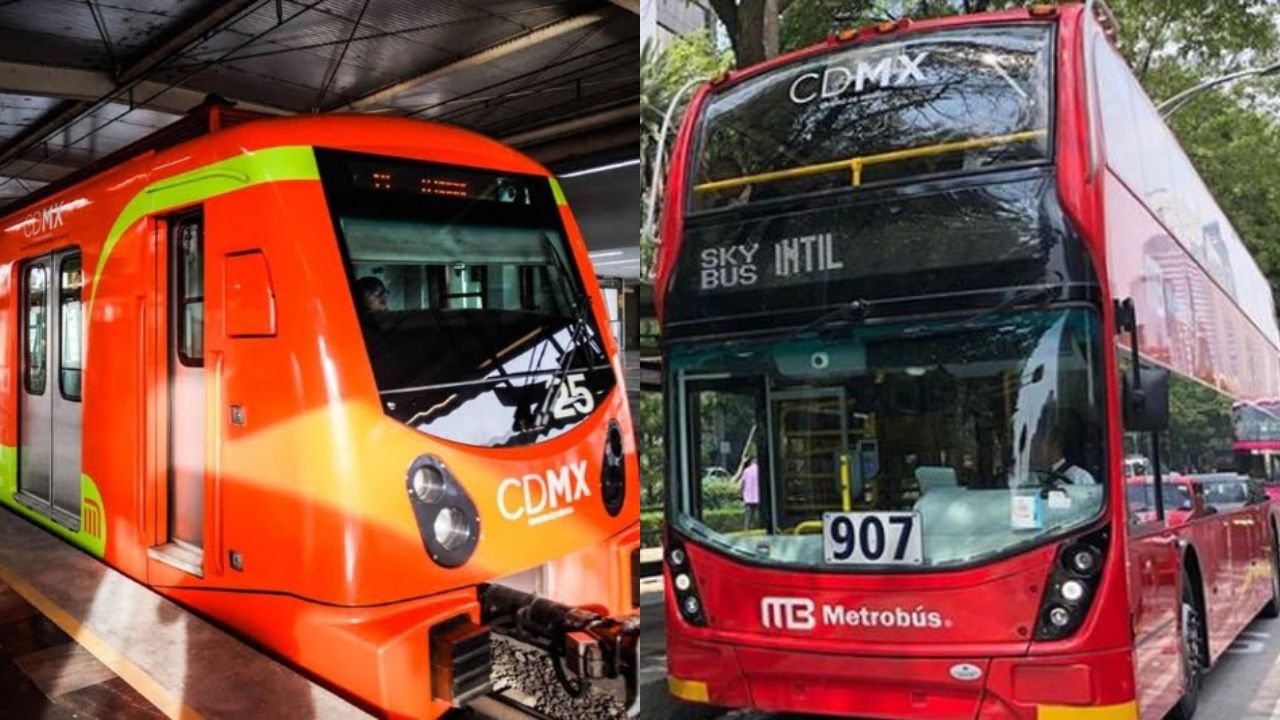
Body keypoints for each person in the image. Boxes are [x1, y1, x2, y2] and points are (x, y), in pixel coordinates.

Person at [739, 453, 760, 529]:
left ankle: (747, 528)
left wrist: (741, 494)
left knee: (748, 515)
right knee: (757, 515)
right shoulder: (760, 470)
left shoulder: (746, 471)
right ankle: (757, 527)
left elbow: (742, 484)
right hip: (758, 496)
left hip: (748, 497)